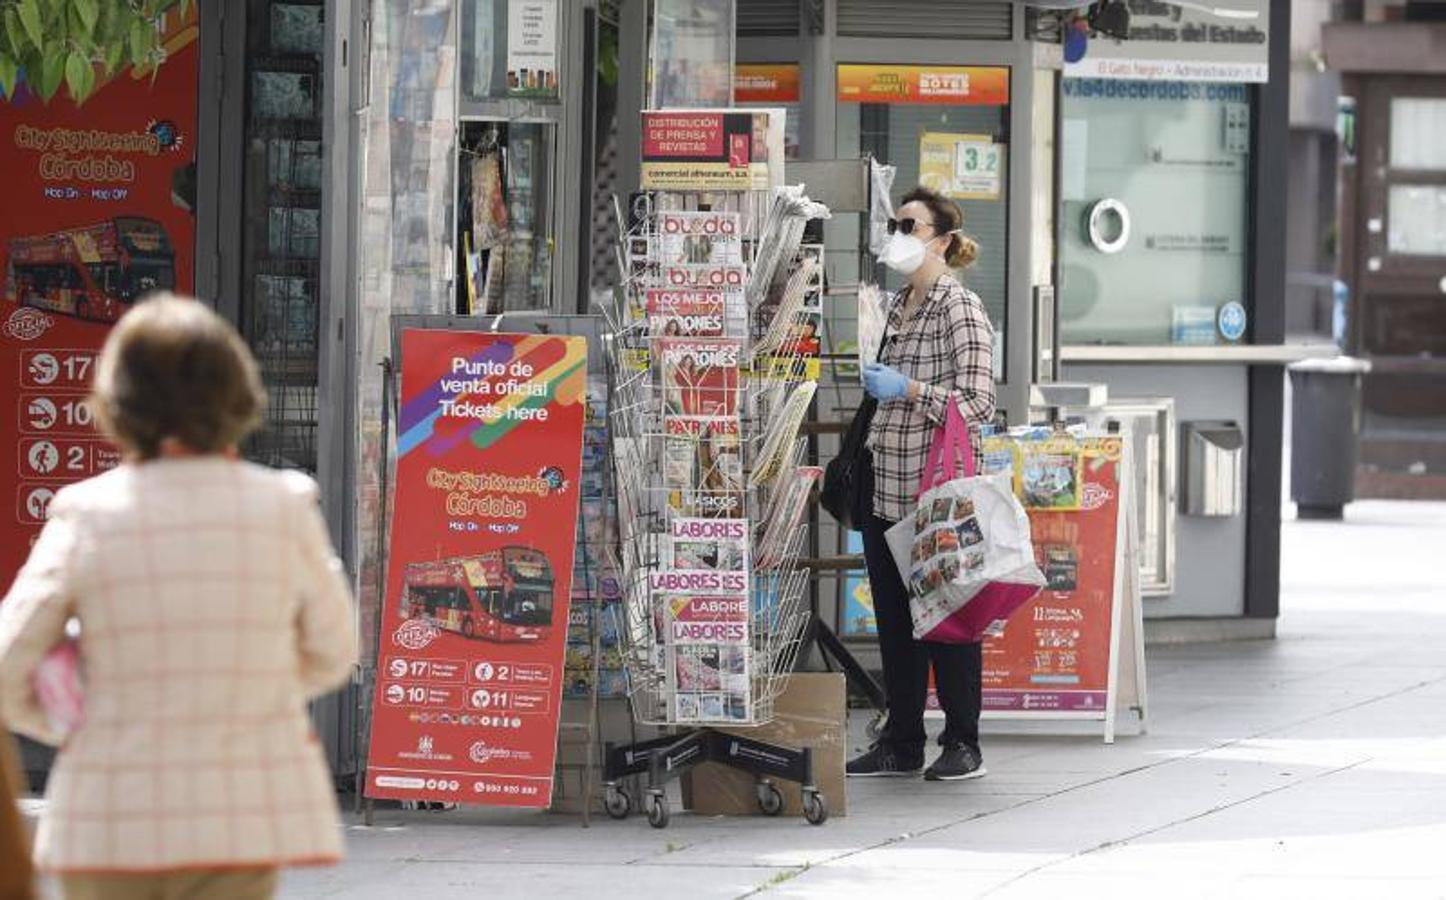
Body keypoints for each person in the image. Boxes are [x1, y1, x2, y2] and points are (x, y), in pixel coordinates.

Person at [0, 294, 357, 900]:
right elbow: (334, 649)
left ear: (118, 402)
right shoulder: (283, 507)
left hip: (107, 821)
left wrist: (82, 723)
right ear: (236, 391)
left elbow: (9, 667)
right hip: (237, 820)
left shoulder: (84, 514)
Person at [848, 187, 996, 781]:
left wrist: (909, 390)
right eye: (895, 224)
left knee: (947, 614)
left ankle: (963, 741)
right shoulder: (895, 306)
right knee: (895, 620)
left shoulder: (957, 307)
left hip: (936, 495)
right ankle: (902, 739)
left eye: (910, 226)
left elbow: (980, 402)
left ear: (942, 239)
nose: (899, 235)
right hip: (888, 486)